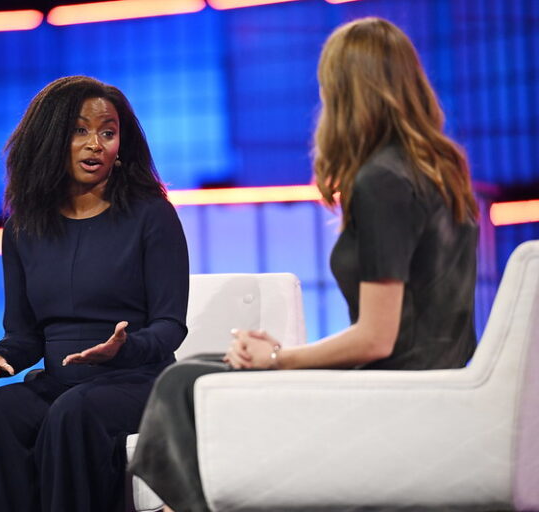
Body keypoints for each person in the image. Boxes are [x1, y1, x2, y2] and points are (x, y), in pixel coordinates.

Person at [130, 17, 479, 512]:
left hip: (396, 391)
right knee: (205, 370)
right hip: (431, 378)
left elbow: (379, 337)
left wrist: (279, 359)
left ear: (345, 93)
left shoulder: (383, 181)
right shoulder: (440, 172)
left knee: (185, 381)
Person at [0, 75, 189, 512]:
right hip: (64, 383)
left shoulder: (152, 215)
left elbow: (171, 327)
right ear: (51, 139)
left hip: (140, 381)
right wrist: (0, 356)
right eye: (80, 130)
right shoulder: (23, 227)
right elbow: (25, 336)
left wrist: (123, 348)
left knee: (74, 412)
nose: (96, 144)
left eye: (108, 132)